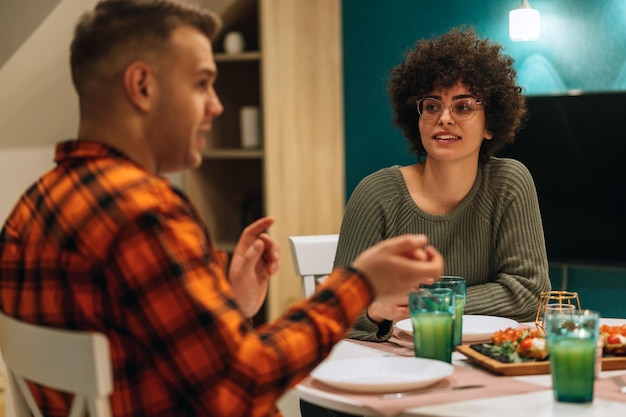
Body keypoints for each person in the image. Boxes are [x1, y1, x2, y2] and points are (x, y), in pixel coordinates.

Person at [0, 1, 445, 416]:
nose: (216, 105)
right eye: (200, 83)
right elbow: (244, 383)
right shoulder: (143, 212)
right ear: (142, 86)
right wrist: (360, 284)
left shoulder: (31, 206)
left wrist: (230, 304)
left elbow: (142, 345)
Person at [300, 24, 551, 417]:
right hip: (387, 381)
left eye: (463, 106)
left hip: (481, 372)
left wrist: (426, 303)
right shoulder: (377, 193)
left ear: (490, 125)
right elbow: (336, 314)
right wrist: (373, 311)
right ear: (415, 118)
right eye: (432, 105)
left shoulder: (510, 182)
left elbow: (528, 293)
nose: (444, 118)